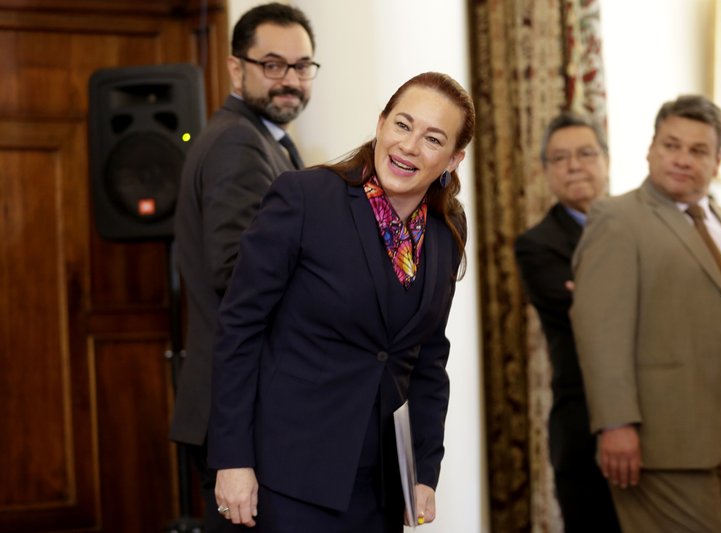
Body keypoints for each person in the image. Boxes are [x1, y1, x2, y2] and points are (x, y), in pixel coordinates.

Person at [207, 71, 475, 532]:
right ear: (381, 124)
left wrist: (424, 473)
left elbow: (429, 357)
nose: (409, 146)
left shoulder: (444, 231)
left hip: (380, 484)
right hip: (287, 474)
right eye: (402, 125)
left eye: (433, 138)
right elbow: (239, 328)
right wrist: (232, 459)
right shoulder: (306, 199)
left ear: (453, 159)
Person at [571, 94, 721, 532]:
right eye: (671, 145)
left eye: (698, 150)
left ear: (719, 160)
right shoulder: (618, 219)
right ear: (651, 149)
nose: (682, 159)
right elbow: (600, 332)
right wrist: (615, 424)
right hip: (659, 446)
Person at [169, 4, 318, 530]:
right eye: (272, 65)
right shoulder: (238, 141)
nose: (290, 81)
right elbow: (235, 272)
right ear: (237, 69)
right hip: (238, 413)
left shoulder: (266, 138)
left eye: (302, 67)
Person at [514, 112, 620, 532]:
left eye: (585, 153)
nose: (573, 165)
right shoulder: (536, 245)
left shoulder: (637, 228)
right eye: (559, 158)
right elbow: (589, 322)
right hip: (584, 435)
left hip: (657, 432)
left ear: (606, 161)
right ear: (545, 172)